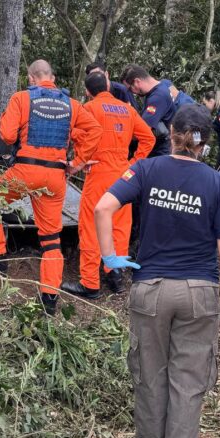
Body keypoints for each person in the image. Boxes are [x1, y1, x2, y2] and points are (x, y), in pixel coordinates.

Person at [94, 104, 220, 438]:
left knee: (150, 378)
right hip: (198, 293)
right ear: (205, 143)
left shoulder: (146, 169)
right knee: (188, 384)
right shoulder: (217, 183)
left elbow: (103, 207)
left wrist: (110, 256)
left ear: (171, 135)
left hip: (151, 289)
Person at [0, 60, 103, 315]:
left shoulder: (22, 98)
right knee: (50, 239)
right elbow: (95, 130)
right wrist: (76, 164)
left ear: (31, 78)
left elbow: (8, 136)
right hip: (55, 177)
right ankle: (49, 300)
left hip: (25, 172)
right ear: (52, 77)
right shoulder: (72, 104)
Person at [60, 72, 156, 299]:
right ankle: (115, 275)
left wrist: (81, 160)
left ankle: (90, 284)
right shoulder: (127, 109)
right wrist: (132, 164)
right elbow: (149, 139)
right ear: (108, 86)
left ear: (87, 91)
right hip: (123, 177)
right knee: (120, 227)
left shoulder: (88, 109)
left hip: (99, 174)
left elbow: (75, 134)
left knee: (91, 226)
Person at [120, 64, 175, 157]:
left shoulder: (158, 97)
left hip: (159, 152)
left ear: (137, 81)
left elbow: (143, 129)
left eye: (130, 88)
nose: (132, 92)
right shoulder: (160, 88)